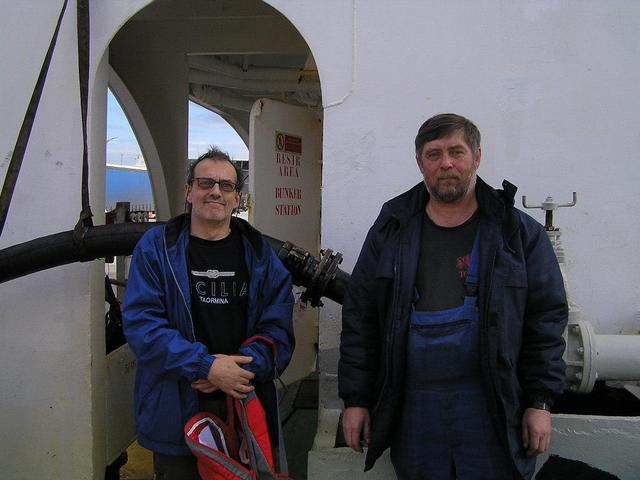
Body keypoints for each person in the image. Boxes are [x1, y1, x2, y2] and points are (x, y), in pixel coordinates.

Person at [338, 114, 568, 479]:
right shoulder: (392, 229)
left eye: (456, 152)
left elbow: (546, 321)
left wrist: (540, 403)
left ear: (477, 156)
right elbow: (361, 319)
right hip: (413, 412)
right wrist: (356, 400)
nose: (446, 163)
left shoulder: (517, 234)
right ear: (420, 163)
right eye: (434, 154)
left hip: (493, 409)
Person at [123, 147, 295, 479]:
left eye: (226, 186)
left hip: (244, 406)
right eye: (205, 183)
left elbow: (279, 327)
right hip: (176, 410)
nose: (215, 191)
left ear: (237, 199)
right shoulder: (156, 248)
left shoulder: (260, 254)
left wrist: (240, 370)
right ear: (189, 192)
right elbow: (142, 325)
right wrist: (208, 366)